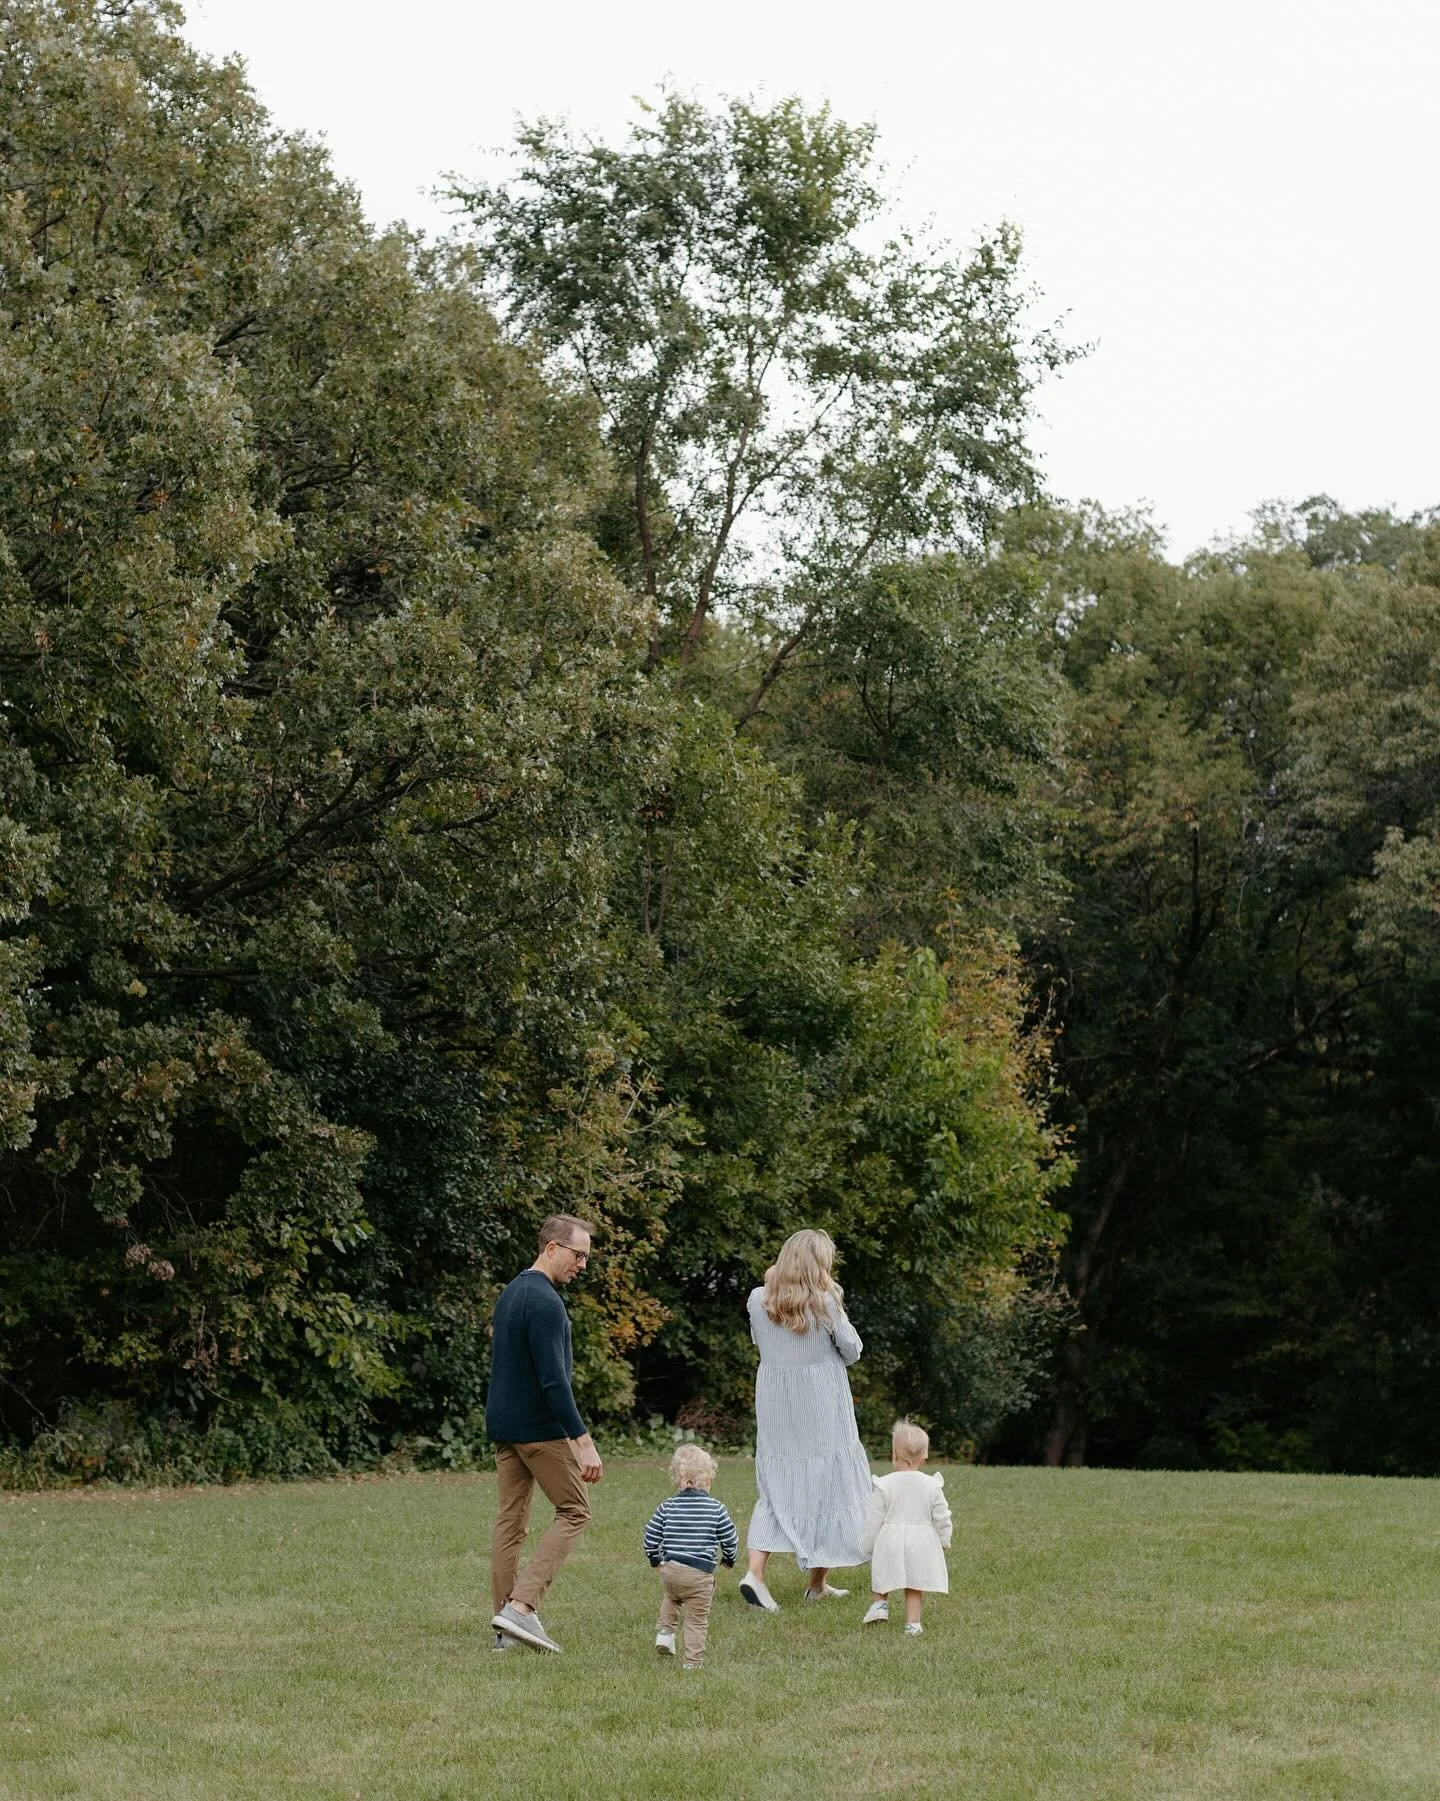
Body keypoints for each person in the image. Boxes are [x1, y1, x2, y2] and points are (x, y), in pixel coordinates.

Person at [486, 1213, 604, 1655]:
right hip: (538, 1431)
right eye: (579, 1254)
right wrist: (582, 1440)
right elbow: (553, 1381)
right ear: (552, 1248)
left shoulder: (512, 1293)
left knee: (510, 1522)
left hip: (505, 1429)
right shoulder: (546, 1302)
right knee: (575, 1512)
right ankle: (521, 1607)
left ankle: (505, 1628)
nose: (583, 1264)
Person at [739, 1227, 872, 1611]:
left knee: (775, 1482)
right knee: (826, 1481)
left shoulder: (757, 1299)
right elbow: (852, 1350)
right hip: (820, 1402)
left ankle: (758, 1575)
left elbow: (758, 1342)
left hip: (777, 1401)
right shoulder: (825, 1302)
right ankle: (816, 1584)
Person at [643, 1444, 739, 1670]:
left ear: (677, 1478)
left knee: (672, 1596)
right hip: (699, 1574)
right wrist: (729, 1558)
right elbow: (730, 1538)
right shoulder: (716, 1508)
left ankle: (665, 1633)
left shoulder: (667, 1506)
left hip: (671, 1569)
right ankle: (692, 1663)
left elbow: (651, 1534)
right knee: (696, 1620)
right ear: (708, 1478)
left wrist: (654, 1558)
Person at [860, 1420, 952, 1636]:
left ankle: (880, 1606)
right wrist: (944, 1539)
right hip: (920, 1542)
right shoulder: (931, 1485)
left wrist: (868, 1544)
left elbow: (874, 1518)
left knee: (883, 1572)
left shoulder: (885, 1485)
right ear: (924, 1457)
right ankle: (913, 1624)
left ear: (894, 1454)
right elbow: (942, 1516)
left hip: (889, 1539)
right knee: (914, 1583)